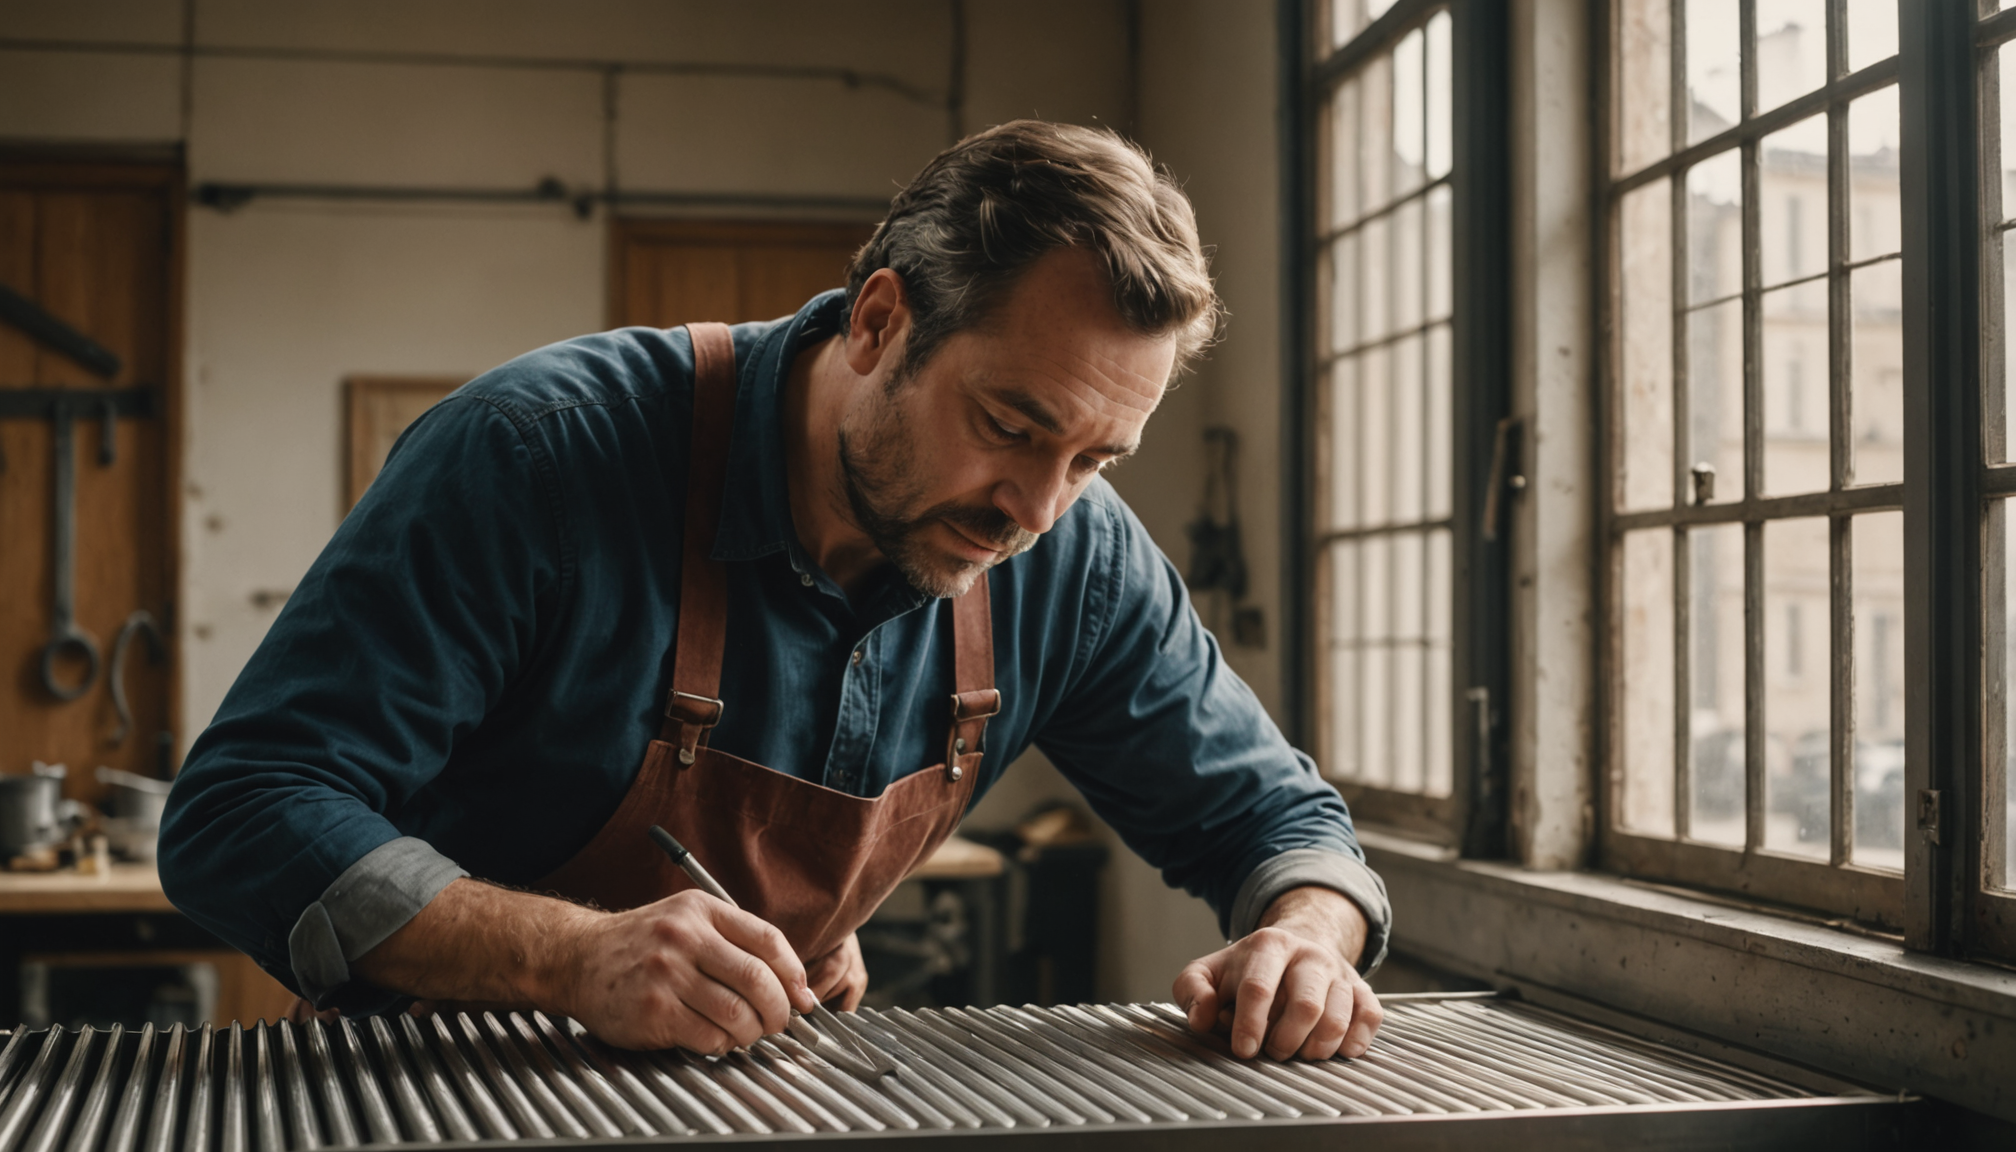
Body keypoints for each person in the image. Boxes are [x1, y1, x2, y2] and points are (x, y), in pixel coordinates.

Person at [160, 120, 1391, 1064]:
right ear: (878, 321)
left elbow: (1282, 826)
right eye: (1010, 425)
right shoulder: (541, 455)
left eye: (1094, 459)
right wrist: (574, 956)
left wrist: (1307, 940)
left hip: (753, 1097)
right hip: (430, 1096)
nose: (1036, 508)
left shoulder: (1072, 555)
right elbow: (243, 813)